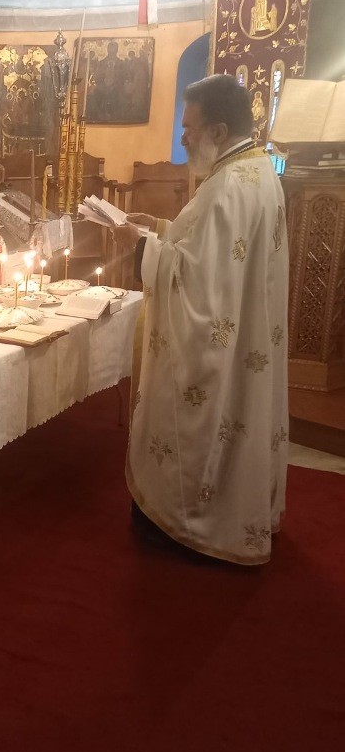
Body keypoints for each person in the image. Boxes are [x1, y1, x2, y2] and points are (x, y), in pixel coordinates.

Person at [111, 74, 288, 565]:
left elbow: (199, 279)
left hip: (219, 345)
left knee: (199, 420)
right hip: (247, 336)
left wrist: (140, 246)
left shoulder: (228, 185)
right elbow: (212, 249)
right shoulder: (258, 170)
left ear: (219, 130)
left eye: (189, 127)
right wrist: (157, 227)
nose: (183, 137)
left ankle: (189, 520)